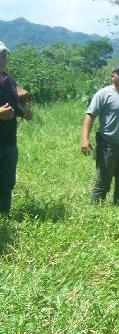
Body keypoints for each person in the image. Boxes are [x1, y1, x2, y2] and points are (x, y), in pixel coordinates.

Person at [80, 63, 119, 204]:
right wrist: (84, 139)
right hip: (108, 146)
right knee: (103, 183)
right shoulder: (103, 94)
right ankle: (95, 213)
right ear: (112, 76)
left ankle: (118, 211)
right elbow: (90, 116)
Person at [0, 41, 33, 215]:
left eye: (4, 55)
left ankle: (4, 215)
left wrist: (23, 112)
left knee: (7, 181)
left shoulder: (8, 79)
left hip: (9, 141)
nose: (2, 59)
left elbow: (13, 104)